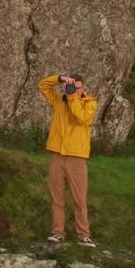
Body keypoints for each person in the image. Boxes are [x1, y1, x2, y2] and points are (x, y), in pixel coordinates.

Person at [37, 72, 98, 247]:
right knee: (57, 198)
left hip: (77, 157)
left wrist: (72, 97)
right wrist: (60, 78)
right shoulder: (58, 101)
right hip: (57, 154)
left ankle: (83, 235)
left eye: (78, 88)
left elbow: (80, 117)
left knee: (79, 199)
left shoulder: (90, 103)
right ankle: (57, 232)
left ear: (83, 88)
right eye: (72, 88)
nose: (75, 91)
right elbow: (42, 85)